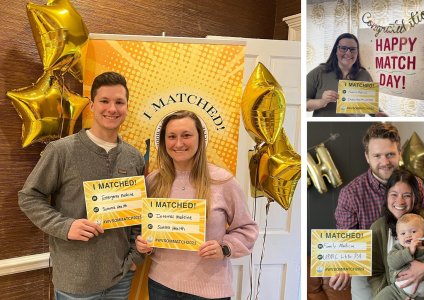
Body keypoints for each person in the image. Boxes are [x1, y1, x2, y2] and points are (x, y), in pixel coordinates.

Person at [18, 72, 145, 298]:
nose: (112, 109)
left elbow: (138, 213)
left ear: (127, 106)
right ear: (92, 105)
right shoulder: (61, 151)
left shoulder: (133, 157)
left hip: (120, 278)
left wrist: (134, 258)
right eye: (104, 101)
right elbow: (29, 197)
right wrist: (66, 226)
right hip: (75, 283)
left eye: (119, 102)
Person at [136, 110, 258, 300]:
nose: (178, 143)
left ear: (200, 139)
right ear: (163, 142)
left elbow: (247, 229)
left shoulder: (223, 181)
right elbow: (147, 228)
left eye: (186, 135)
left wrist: (224, 248)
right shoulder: (153, 181)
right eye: (171, 137)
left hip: (209, 291)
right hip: (161, 285)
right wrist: (145, 244)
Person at [331, 122, 424, 298]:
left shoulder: (417, 185)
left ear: (399, 153)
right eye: (377, 156)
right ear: (367, 157)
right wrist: (342, 266)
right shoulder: (351, 194)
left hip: (412, 263)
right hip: (369, 273)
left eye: (390, 154)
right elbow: (346, 240)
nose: (384, 162)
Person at [370, 169, 424, 300]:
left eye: (406, 195)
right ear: (386, 197)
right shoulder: (377, 228)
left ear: (415, 197)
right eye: (394, 194)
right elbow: (375, 273)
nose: (400, 202)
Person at [376, 213, 424, 300]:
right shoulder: (399, 248)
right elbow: (392, 263)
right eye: (403, 233)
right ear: (398, 238)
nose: (408, 235)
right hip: (397, 292)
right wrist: (409, 251)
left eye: (413, 231)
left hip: (423, 297)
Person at [306, 32, 372, 117]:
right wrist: (322, 102)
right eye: (343, 48)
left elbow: (369, 106)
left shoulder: (365, 75)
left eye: (353, 49)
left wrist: (378, 114)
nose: (348, 53)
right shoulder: (318, 72)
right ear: (336, 51)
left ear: (357, 52)